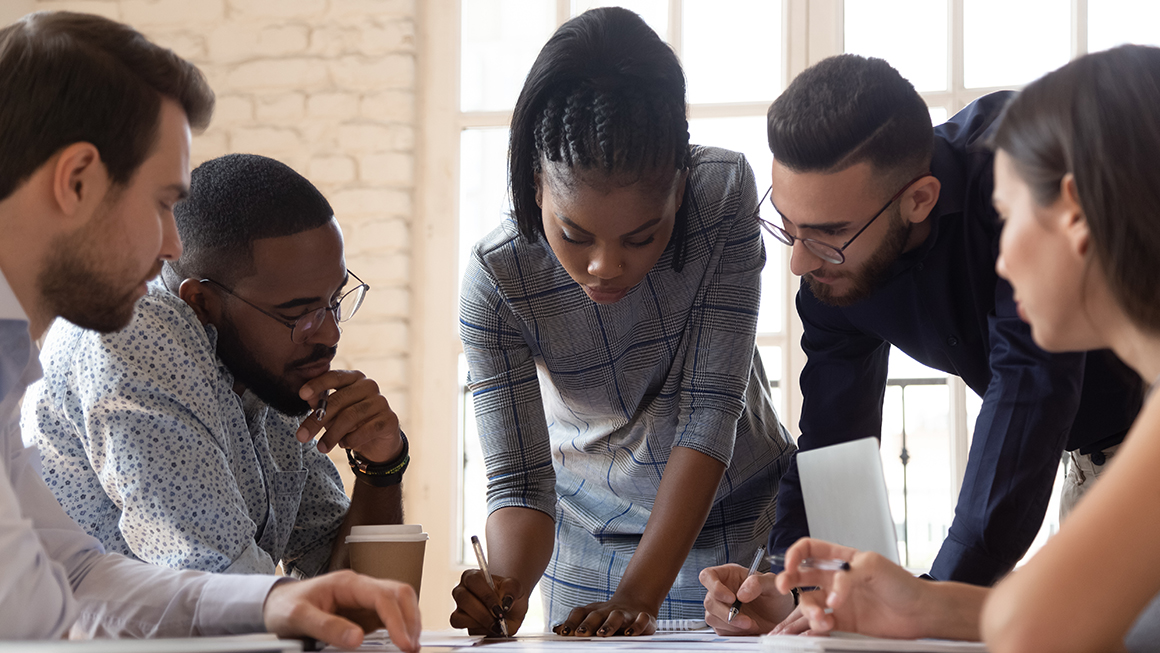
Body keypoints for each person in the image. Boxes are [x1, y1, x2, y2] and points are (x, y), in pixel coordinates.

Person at [711, 44, 1160, 653]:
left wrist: (930, 599)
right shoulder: (828, 269)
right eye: (787, 227)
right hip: (1105, 470)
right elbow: (833, 440)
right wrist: (805, 587)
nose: (798, 260)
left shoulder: (1013, 162)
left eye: (830, 234)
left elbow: (1030, 392)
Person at [0, 11, 419, 649]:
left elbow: (73, 574)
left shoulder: (10, 363)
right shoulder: (141, 329)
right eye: (164, 202)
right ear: (77, 181)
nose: (174, 244)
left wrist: (278, 599)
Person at [450, 6, 794, 637]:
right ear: (535, 187)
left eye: (643, 237)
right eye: (574, 235)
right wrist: (506, 588)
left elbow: (709, 411)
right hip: (586, 540)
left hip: (744, 516)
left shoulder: (723, 196)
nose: (605, 266)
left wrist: (641, 593)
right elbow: (520, 480)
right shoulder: (495, 278)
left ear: (681, 189)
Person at [23, 152, 408, 577]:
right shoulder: (133, 332)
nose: (331, 334)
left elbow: (359, 601)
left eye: (334, 300)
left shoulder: (271, 371)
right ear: (201, 302)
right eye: (299, 313)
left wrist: (381, 466)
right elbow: (226, 593)